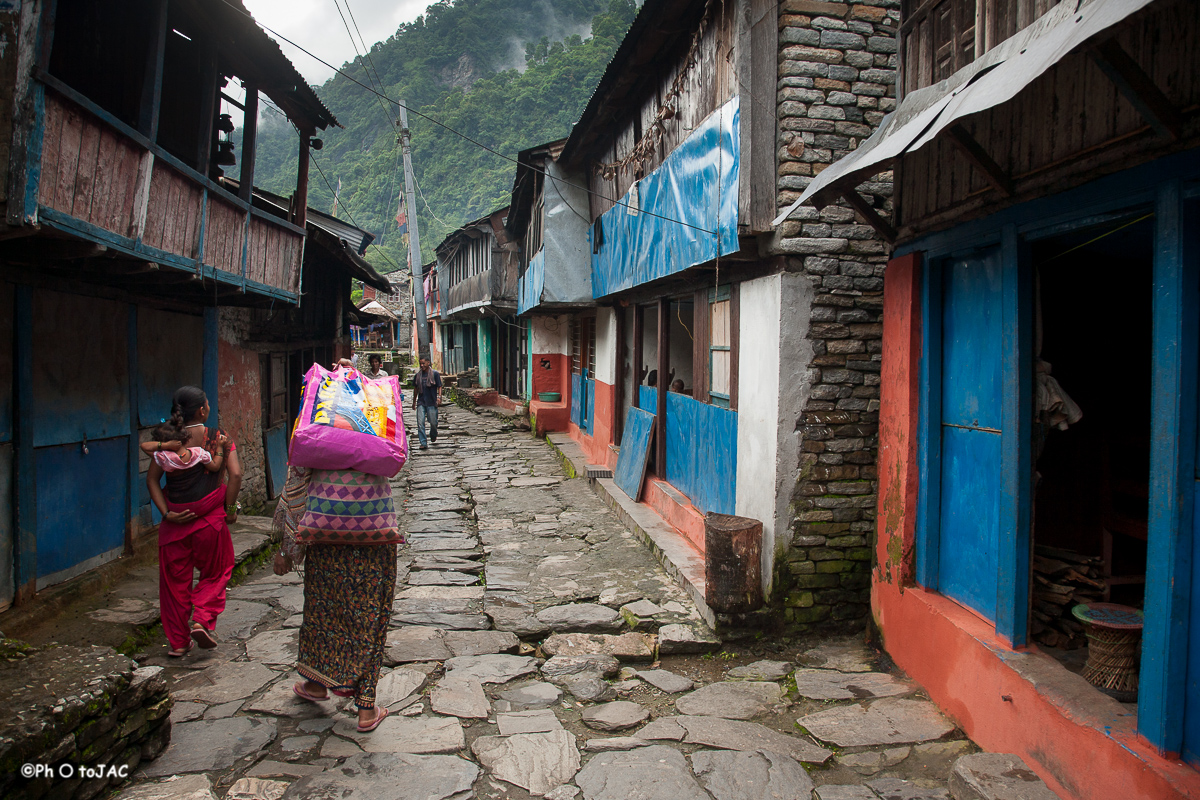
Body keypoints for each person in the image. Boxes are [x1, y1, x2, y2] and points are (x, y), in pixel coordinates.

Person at [290, 358, 397, 733]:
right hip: (374, 537)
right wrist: (360, 378)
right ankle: (365, 708)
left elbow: (295, 486)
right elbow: (396, 456)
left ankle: (316, 682)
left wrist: (289, 549)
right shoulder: (376, 421)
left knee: (323, 610)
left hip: (325, 536)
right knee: (370, 616)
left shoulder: (315, 429)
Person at [146, 386, 243, 658]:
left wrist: (166, 514)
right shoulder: (219, 438)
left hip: (174, 521)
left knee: (174, 584)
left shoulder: (169, 440)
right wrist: (231, 508)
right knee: (217, 570)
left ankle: (178, 642)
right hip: (210, 520)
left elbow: (152, 479)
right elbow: (234, 475)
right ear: (201, 410)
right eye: (208, 404)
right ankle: (201, 619)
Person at [141, 422, 229, 474]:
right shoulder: (198, 454)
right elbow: (215, 466)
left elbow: (144, 446)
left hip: (176, 501)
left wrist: (166, 445)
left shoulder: (165, 458)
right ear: (185, 437)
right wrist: (220, 446)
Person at [412, 357, 442, 451]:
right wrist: (414, 402)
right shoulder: (417, 376)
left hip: (432, 402)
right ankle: (423, 442)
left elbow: (439, 386)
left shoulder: (435, 374)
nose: (422, 365)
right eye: (420, 364)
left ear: (428, 363)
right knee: (420, 423)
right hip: (421, 402)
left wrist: (439, 397)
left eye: (423, 363)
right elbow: (416, 389)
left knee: (433, 422)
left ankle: (433, 434)